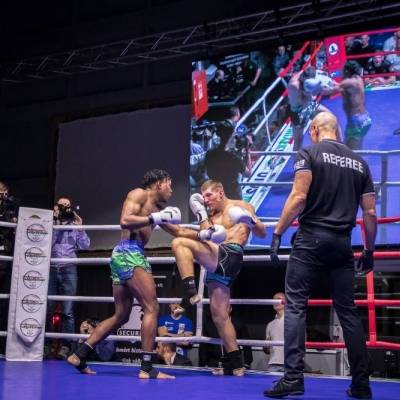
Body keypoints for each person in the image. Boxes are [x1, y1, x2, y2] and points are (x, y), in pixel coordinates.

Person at [264, 112, 377, 399]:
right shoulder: (360, 162)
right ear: (336, 130)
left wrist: (277, 232)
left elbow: (299, 196)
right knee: (347, 312)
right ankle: (361, 384)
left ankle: (293, 379)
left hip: (311, 239)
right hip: (342, 243)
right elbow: (370, 212)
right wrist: (369, 249)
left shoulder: (308, 153)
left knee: (295, 307)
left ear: (314, 129)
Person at [67, 169, 181, 379]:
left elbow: (179, 232)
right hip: (130, 252)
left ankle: (79, 354)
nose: (172, 190)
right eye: (169, 184)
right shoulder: (139, 194)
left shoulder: (157, 209)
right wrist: (154, 218)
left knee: (121, 315)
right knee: (152, 307)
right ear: (159, 183)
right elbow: (125, 220)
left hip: (124, 255)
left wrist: (205, 234)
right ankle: (147, 368)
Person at [162, 179, 265, 376]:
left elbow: (261, 233)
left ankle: (189, 290)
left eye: (209, 195)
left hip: (231, 254)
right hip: (215, 262)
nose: (206, 200)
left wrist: (251, 220)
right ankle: (237, 364)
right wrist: (158, 219)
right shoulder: (209, 217)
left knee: (179, 243)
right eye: (203, 197)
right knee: (220, 317)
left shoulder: (241, 206)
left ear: (220, 192)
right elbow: (193, 234)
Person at [48, 196, 90, 358]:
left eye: (67, 206)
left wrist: (80, 227)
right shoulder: (49, 224)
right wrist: (55, 223)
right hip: (51, 268)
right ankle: (46, 345)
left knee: (68, 311)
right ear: (55, 207)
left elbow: (86, 245)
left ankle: (66, 347)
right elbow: (44, 245)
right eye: (61, 206)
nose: (65, 209)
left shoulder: (74, 226)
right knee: (47, 309)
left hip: (69, 269)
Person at [204, 107, 252, 200]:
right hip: (233, 197)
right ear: (232, 134)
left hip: (216, 196)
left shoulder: (209, 153)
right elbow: (248, 173)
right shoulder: (233, 157)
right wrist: (248, 151)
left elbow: (207, 173)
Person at [328, 61, 372, 150]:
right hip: (365, 118)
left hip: (356, 123)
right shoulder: (358, 79)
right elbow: (342, 86)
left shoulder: (347, 82)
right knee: (356, 148)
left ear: (347, 71)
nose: (341, 70)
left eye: (343, 69)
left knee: (350, 152)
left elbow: (329, 91)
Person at [287, 66, 330, 150]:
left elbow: (306, 69)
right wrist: (316, 91)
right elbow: (305, 100)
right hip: (298, 113)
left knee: (329, 116)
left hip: (309, 105)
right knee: (298, 141)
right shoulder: (294, 86)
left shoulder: (307, 76)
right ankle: (297, 158)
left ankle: (339, 147)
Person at [199, 306, 253, 370]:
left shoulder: (238, 323)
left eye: (225, 308)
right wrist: (204, 363)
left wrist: (247, 363)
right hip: (213, 361)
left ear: (230, 309)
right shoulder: (209, 323)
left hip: (233, 362)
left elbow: (246, 343)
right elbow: (203, 345)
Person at [263, 292, 285, 373]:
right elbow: (267, 350)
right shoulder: (270, 324)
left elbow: (302, 342)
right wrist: (265, 346)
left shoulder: (294, 321)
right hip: (273, 364)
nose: (275, 301)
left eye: (278, 299)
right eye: (274, 300)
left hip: (290, 364)